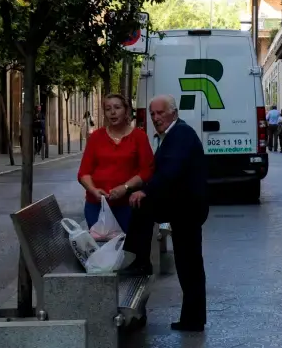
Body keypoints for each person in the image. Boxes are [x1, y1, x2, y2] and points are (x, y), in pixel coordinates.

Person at [129, 94, 208, 332]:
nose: (155, 118)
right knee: (187, 263)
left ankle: (136, 259)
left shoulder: (180, 134)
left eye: (160, 113)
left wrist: (145, 192)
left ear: (173, 112)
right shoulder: (174, 134)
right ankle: (192, 318)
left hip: (187, 209)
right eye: (152, 114)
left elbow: (171, 171)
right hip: (181, 207)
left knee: (189, 264)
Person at [77, 94, 154, 233]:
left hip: (128, 206)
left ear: (126, 111)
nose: (112, 112)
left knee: (127, 250)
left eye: (117, 108)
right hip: (97, 206)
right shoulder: (96, 137)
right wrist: (93, 190)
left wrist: (125, 187)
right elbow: (84, 173)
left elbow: (147, 171)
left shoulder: (139, 137)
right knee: (102, 250)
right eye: (108, 109)